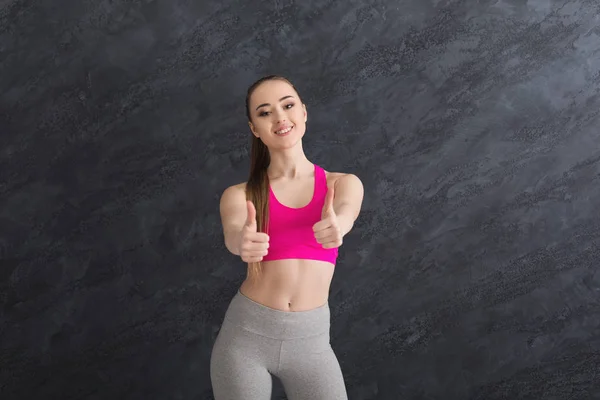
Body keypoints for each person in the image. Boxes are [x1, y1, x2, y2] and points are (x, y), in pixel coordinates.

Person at [210, 75, 364, 400]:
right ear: (254, 128)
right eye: (265, 112)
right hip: (246, 339)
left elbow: (347, 211)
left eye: (288, 105)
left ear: (304, 112)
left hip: (311, 343)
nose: (280, 117)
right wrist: (242, 242)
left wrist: (341, 225)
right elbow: (234, 233)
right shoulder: (240, 194)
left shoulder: (343, 183)